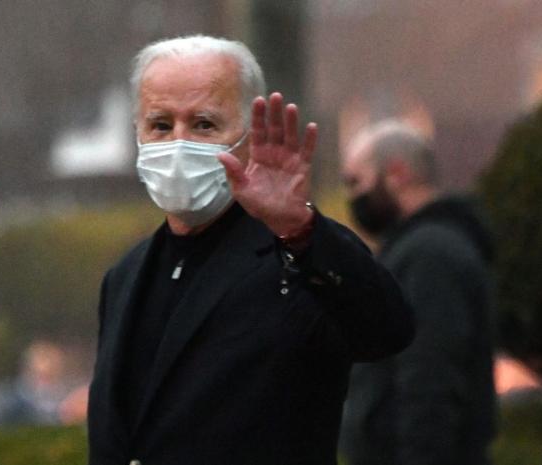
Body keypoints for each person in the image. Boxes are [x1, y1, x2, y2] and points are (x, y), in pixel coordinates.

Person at [86, 35, 414, 465]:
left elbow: (386, 329)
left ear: (249, 132)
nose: (178, 144)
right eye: (161, 125)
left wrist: (300, 229)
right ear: (138, 133)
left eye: (204, 124)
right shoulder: (125, 277)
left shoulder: (293, 257)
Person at [338, 120, 497, 465]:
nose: (353, 197)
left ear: (396, 172)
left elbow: (429, 381)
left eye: (356, 181)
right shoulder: (416, 248)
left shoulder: (430, 255)